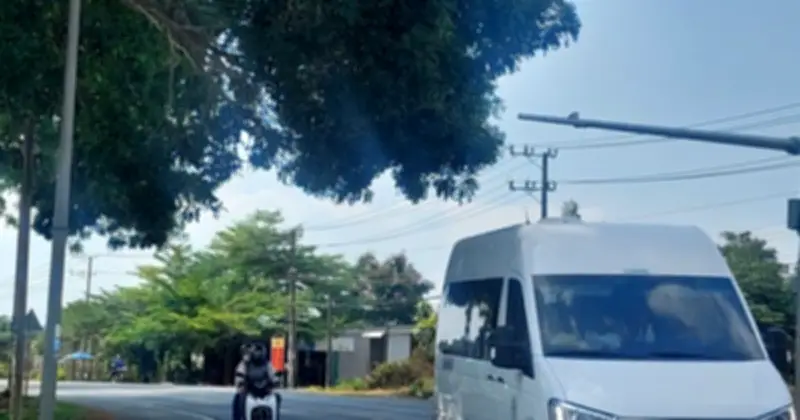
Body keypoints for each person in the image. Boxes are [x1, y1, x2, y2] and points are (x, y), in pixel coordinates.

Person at [232, 342, 280, 420]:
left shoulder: (267, 364)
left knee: (277, 397)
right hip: (249, 390)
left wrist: (276, 382)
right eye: (256, 351)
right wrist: (240, 383)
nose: (258, 353)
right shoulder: (245, 363)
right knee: (239, 397)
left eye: (260, 351)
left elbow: (273, 375)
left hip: (265, 390)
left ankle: (275, 417)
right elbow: (239, 374)